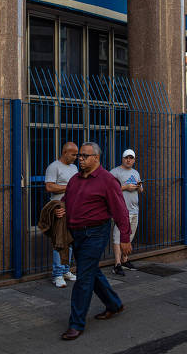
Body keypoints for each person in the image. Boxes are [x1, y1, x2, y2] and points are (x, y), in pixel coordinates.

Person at [56, 142, 131, 341]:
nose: (80, 158)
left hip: (95, 234)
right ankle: (114, 304)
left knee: (83, 278)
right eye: (79, 155)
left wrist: (125, 238)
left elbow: (121, 212)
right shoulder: (75, 180)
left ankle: (76, 324)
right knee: (92, 272)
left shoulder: (108, 180)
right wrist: (61, 207)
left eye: (84, 156)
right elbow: (66, 199)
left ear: (96, 158)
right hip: (76, 235)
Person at [44, 142, 78, 288]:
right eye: (73, 154)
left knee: (69, 241)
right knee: (59, 241)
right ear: (65, 152)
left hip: (71, 207)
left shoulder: (74, 167)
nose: (76, 157)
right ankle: (57, 274)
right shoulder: (54, 167)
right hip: (58, 207)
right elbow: (49, 186)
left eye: (77, 154)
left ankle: (65, 270)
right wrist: (69, 187)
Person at [110, 149, 143, 276]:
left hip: (134, 209)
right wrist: (125, 187)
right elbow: (108, 188)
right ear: (122, 159)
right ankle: (117, 264)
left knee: (129, 237)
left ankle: (124, 260)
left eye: (131, 158)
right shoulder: (115, 172)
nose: (128, 160)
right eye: (126, 158)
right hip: (121, 210)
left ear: (134, 160)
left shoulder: (135, 172)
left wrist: (139, 185)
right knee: (118, 237)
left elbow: (141, 190)